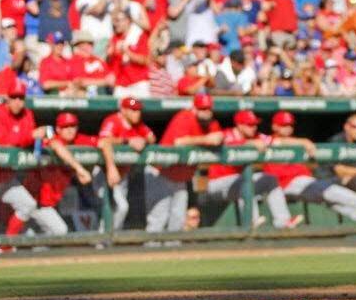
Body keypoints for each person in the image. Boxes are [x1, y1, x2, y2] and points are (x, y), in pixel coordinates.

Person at [0, 83, 63, 237]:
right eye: (14, 97)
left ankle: (8, 244)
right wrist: (30, 136)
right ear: (7, 98)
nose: (17, 102)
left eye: (21, 98)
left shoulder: (27, 114)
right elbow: (2, 141)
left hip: (5, 176)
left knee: (27, 204)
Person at [262, 111, 356, 223]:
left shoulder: (297, 142)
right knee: (325, 190)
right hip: (285, 183)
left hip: (302, 181)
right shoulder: (270, 140)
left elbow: (312, 165)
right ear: (274, 126)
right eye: (284, 125)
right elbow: (277, 142)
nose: (288, 128)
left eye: (291, 125)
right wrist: (304, 141)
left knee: (326, 200)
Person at [204, 110, 302, 229]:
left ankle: (283, 221)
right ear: (239, 125)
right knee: (245, 180)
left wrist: (305, 142)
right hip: (217, 184)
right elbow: (229, 144)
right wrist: (249, 143)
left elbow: (279, 142)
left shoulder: (256, 136)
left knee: (270, 180)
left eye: (255, 124)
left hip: (239, 184)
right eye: (250, 125)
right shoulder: (227, 135)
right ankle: (252, 221)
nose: (254, 127)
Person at [151, 94, 224, 233]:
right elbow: (179, 142)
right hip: (161, 171)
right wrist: (206, 139)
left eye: (208, 109)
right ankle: (150, 251)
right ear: (194, 109)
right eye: (202, 109)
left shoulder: (211, 122)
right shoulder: (184, 117)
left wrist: (216, 137)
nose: (206, 112)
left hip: (181, 177)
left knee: (178, 218)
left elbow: (218, 136)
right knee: (159, 218)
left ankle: (173, 250)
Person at [22, 112, 95, 235]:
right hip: (32, 200)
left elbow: (102, 141)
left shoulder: (79, 140)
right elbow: (56, 145)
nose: (70, 130)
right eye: (65, 127)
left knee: (34, 240)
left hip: (47, 204)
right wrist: (80, 169)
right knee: (59, 231)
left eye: (72, 126)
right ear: (58, 129)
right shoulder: (52, 139)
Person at [95, 97, 157, 230]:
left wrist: (143, 140)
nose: (137, 113)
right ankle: (104, 240)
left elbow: (151, 137)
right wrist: (127, 141)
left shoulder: (138, 124)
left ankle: (107, 241)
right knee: (119, 208)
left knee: (117, 209)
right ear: (123, 110)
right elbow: (104, 140)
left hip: (122, 175)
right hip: (105, 172)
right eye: (133, 110)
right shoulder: (113, 120)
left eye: (138, 110)